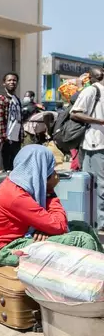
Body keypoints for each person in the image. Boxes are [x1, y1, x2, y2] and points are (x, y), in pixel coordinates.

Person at [0, 145, 103, 267]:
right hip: (3, 250)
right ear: (39, 169)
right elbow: (60, 226)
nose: (55, 174)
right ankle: (92, 280)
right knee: (81, 239)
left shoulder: (20, 185)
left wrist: (46, 228)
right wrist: (50, 192)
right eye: (51, 169)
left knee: (83, 227)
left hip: (21, 238)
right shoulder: (16, 195)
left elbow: (52, 224)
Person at [70, 67, 104, 232]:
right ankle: (98, 223)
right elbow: (75, 113)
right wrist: (100, 121)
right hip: (95, 144)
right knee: (97, 185)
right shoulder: (92, 90)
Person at [0, 72, 23, 172]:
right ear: (4, 83)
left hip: (15, 140)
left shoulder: (16, 99)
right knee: (2, 171)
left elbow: (19, 120)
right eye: (9, 80)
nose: (12, 82)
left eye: (14, 80)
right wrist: (3, 138)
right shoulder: (1, 99)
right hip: (4, 141)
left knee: (13, 169)